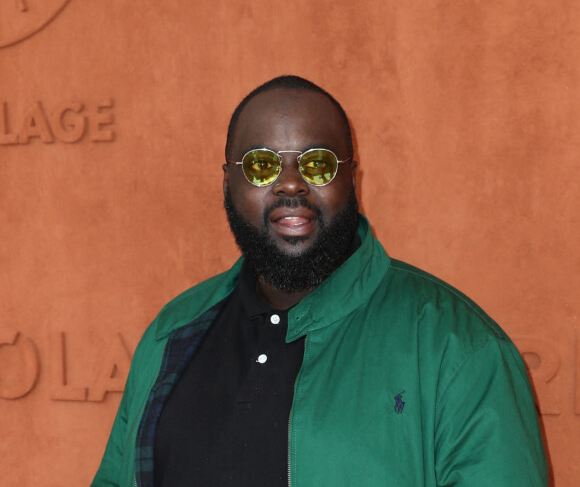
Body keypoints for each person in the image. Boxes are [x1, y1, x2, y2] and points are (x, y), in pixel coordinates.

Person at [92, 75, 548, 486]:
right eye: (261, 166)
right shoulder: (173, 333)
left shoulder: (459, 349)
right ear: (228, 183)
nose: (291, 184)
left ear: (353, 179)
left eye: (317, 164)